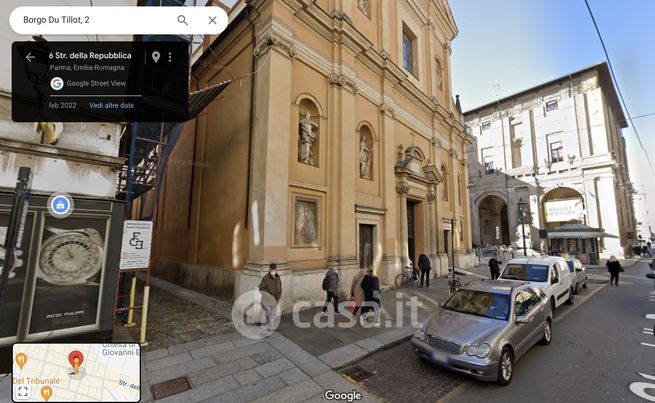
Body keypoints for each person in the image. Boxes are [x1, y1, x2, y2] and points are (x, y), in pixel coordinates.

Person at [258, 263, 282, 332]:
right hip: (266, 301)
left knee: (273, 314)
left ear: (276, 269)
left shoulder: (278, 277)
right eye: (272, 269)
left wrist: (279, 296)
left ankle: (270, 327)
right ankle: (263, 330)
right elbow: (261, 289)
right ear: (270, 269)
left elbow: (280, 287)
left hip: (275, 300)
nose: (273, 270)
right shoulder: (266, 278)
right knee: (265, 316)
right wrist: (269, 296)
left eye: (275, 269)